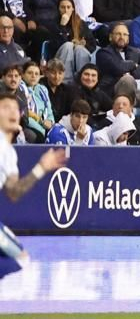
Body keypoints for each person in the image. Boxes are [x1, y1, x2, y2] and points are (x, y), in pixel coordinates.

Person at [0, 89, 68, 278]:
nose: (12, 112)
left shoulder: (9, 153)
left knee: (21, 258)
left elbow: (13, 192)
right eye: (5, 107)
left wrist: (40, 168)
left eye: (16, 109)